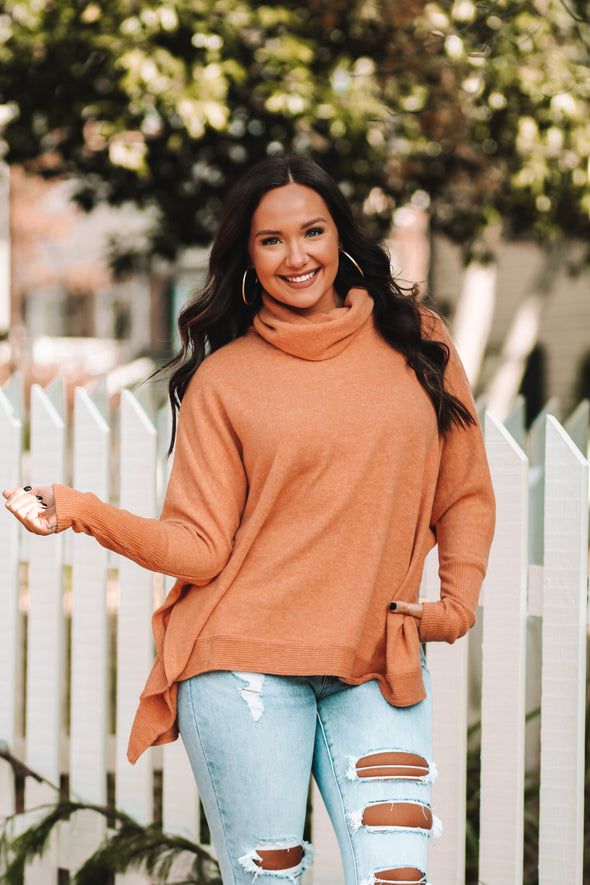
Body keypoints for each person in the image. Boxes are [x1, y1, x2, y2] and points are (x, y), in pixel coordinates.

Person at [4, 155, 495, 885]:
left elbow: (466, 488)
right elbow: (200, 550)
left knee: (399, 876)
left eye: (313, 232)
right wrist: (83, 512)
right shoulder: (222, 380)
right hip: (242, 670)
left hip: (377, 665)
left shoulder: (417, 342)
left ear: (340, 237)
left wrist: (454, 608)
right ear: (248, 257)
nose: (297, 256)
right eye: (272, 241)